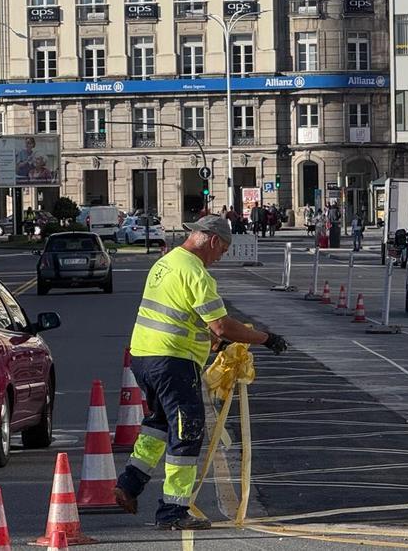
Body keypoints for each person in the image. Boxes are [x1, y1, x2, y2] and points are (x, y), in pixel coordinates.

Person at [113, 216, 289, 530]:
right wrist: (266, 338)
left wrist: (215, 344)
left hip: (144, 357)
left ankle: (128, 484)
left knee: (159, 424)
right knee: (187, 431)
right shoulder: (196, 273)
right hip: (173, 361)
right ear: (211, 240)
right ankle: (172, 512)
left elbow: (187, 317)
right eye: (222, 249)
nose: (220, 257)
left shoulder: (166, 263)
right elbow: (220, 324)